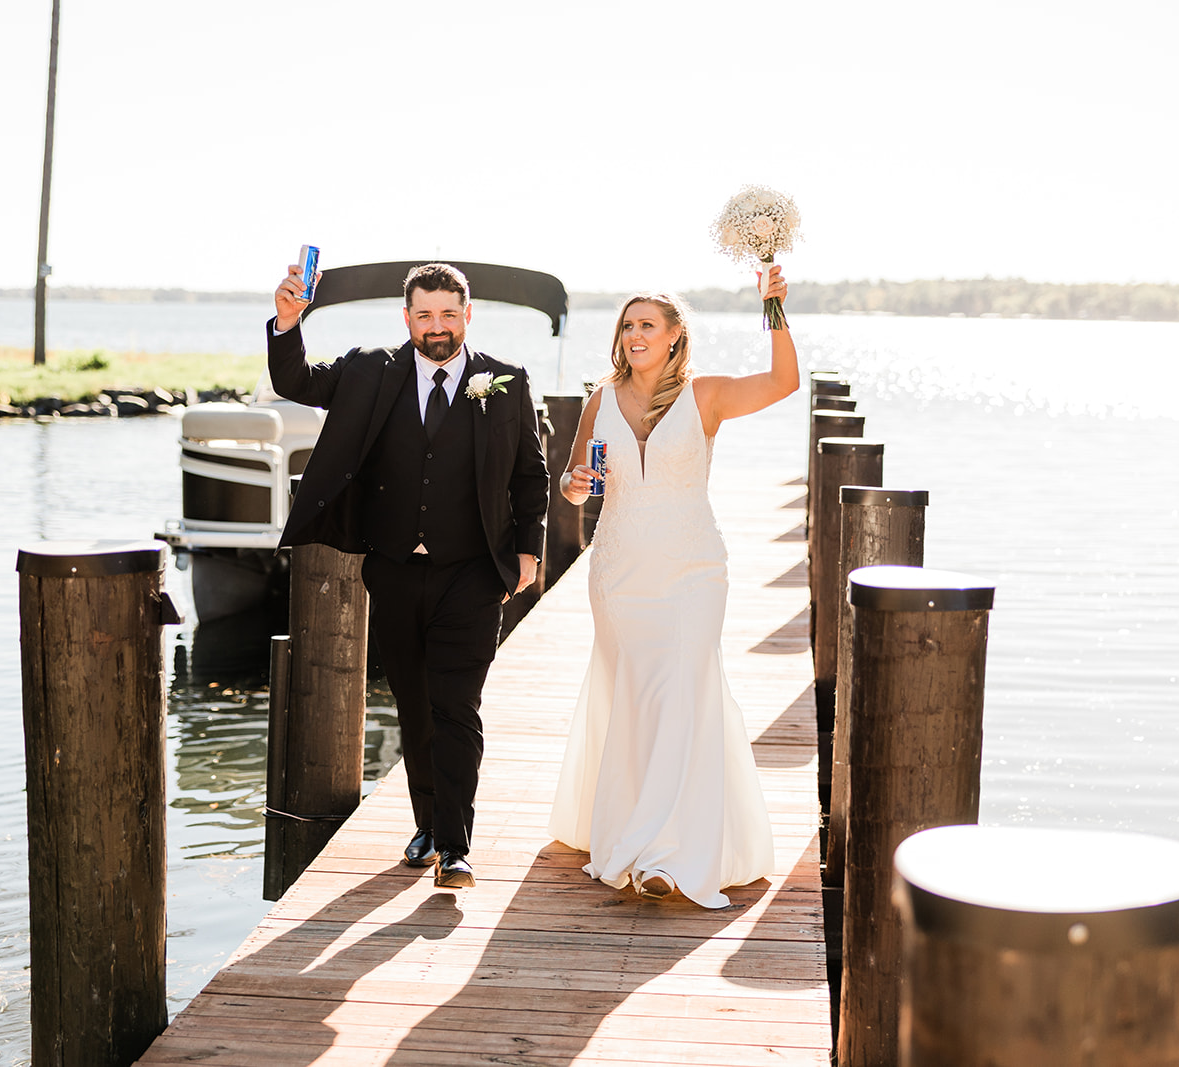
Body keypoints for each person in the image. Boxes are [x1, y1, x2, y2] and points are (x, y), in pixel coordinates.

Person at [268, 261, 549, 889]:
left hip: (474, 574)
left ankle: (454, 845)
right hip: (393, 571)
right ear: (407, 319)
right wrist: (288, 324)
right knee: (415, 708)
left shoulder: (504, 381)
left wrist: (528, 548)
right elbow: (295, 381)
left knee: (456, 707)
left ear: (468, 314)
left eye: (449, 313)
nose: (437, 326)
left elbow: (531, 473)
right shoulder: (370, 369)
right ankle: (427, 824)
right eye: (424, 314)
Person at [547, 266, 799, 908]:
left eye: (647, 325)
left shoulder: (706, 394)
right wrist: (576, 487)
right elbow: (584, 478)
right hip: (619, 571)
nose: (635, 335)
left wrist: (773, 310)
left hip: (691, 572)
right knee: (633, 693)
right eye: (627, 325)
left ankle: (667, 852)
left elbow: (783, 383)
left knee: (682, 691)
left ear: (674, 336)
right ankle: (630, 822)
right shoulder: (601, 398)